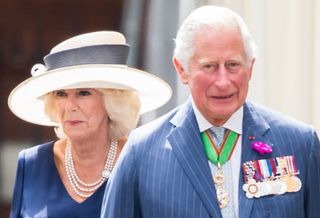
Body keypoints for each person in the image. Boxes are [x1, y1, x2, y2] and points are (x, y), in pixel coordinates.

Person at [101, 5, 320, 218]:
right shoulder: (141, 152)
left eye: (233, 65)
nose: (223, 82)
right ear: (181, 69)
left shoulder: (300, 143)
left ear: (250, 68)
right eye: (210, 66)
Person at [8, 31, 171, 218]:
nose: (70, 106)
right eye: (61, 94)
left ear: (112, 101)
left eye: (83, 93)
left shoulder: (141, 164)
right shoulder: (31, 163)